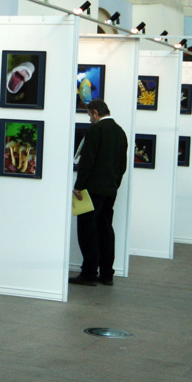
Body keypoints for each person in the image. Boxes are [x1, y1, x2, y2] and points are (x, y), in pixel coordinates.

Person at [69, 99, 128, 286]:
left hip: (91, 190)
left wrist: (78, 186)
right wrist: (114, 185)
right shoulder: (120, 132)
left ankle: (89, 273)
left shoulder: (96, 130)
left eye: (89, 115)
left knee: (87, 230)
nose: (89, 119)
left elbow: (87, 162)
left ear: (95, 112)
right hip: (110, 190)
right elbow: (122, 165)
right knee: (105, 229)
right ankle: (107, 273)